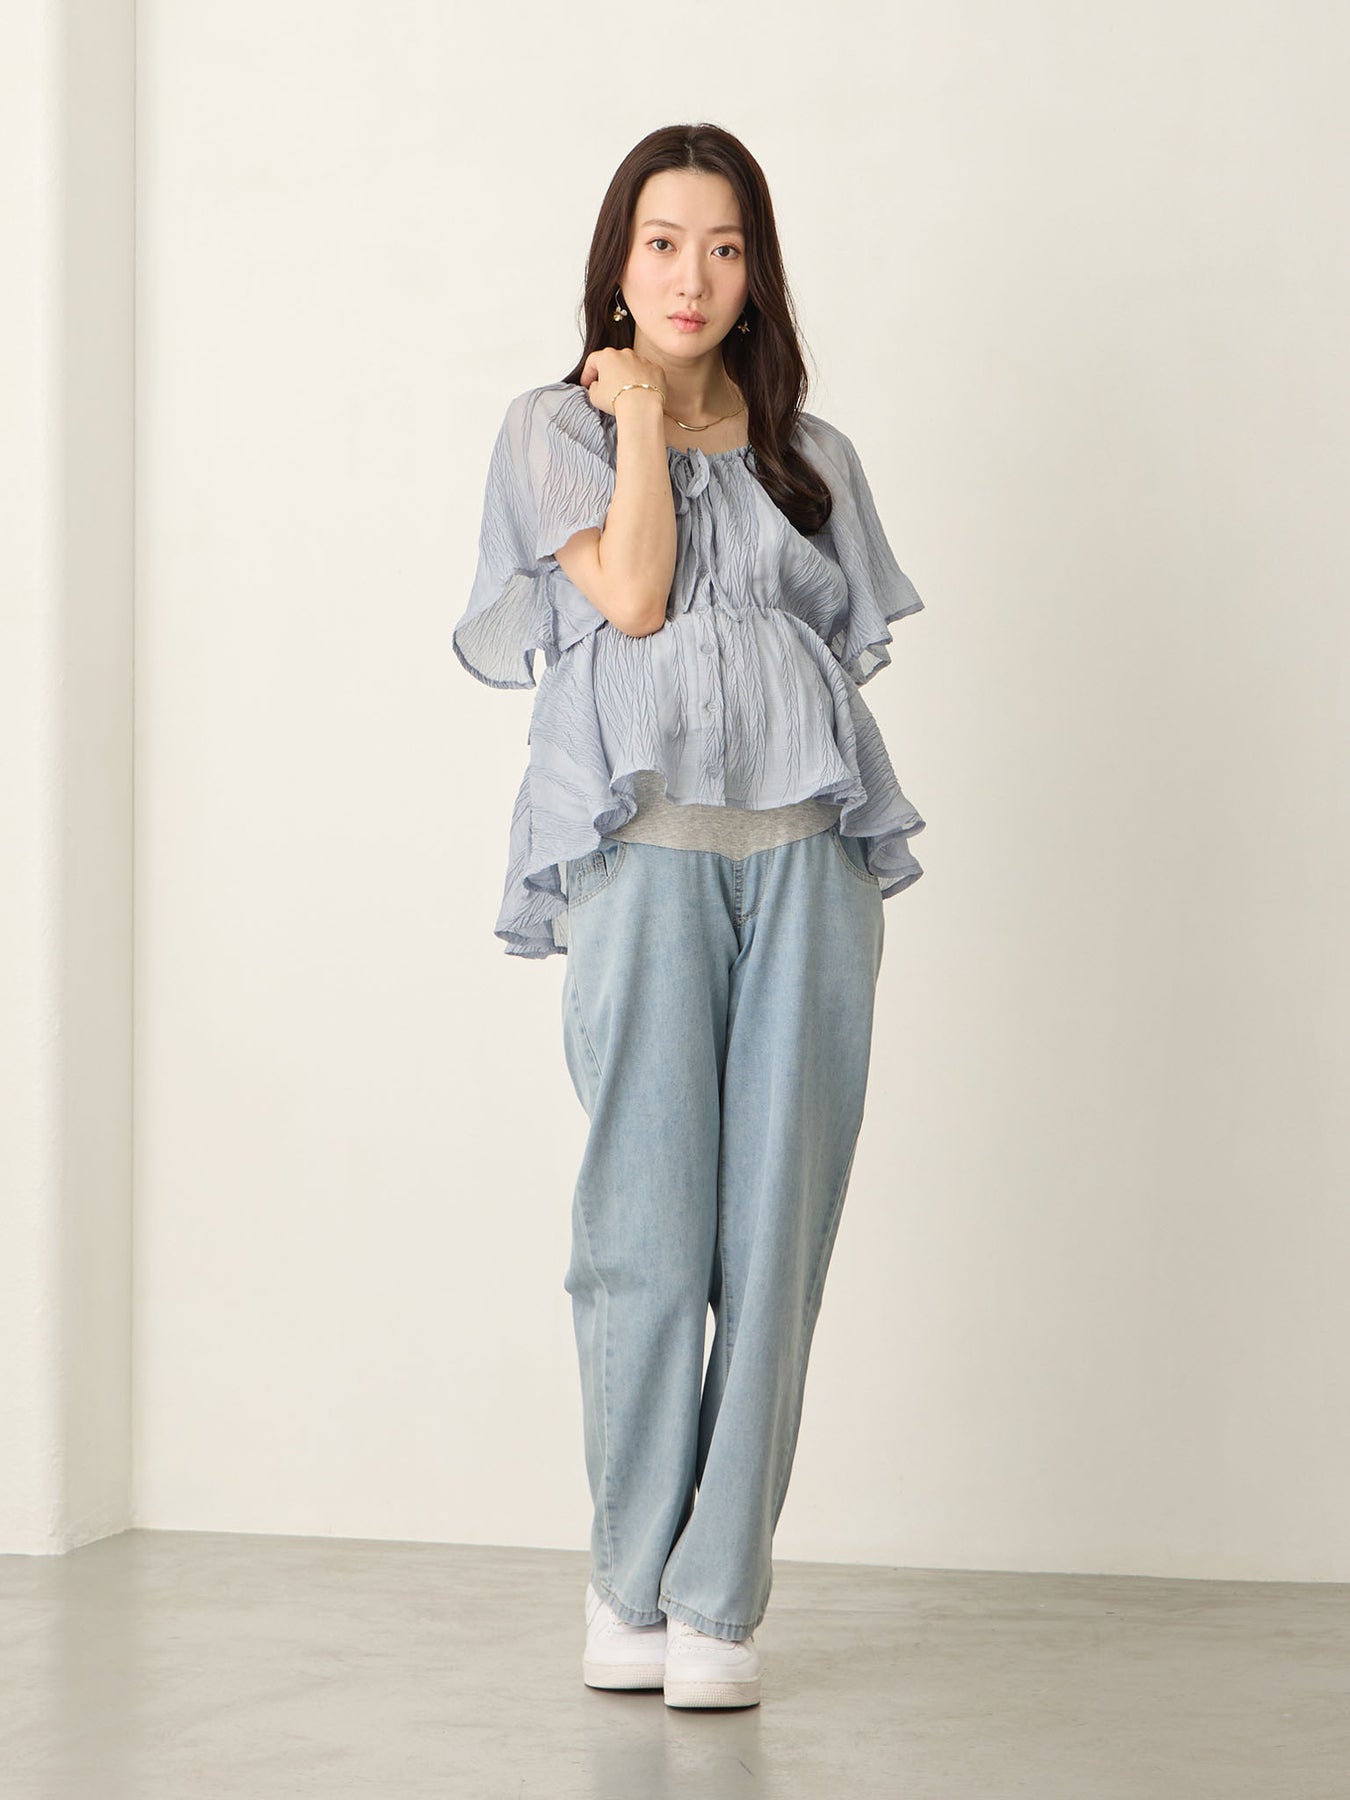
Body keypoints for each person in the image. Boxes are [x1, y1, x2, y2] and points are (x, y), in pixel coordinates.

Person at [453, 123, 928, 1711]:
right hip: (642, 860)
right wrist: (646, 419)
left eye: (724, 247)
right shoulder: (554, 431)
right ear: (617, 261)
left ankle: (719, 1602)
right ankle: (629, 1584)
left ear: (755, 270)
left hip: (807, 863)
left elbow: (820, 670)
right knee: (642, 1238)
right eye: (663, 242)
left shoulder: (813, 453)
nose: (692, 275)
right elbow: (639, 598)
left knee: (772, 1241)